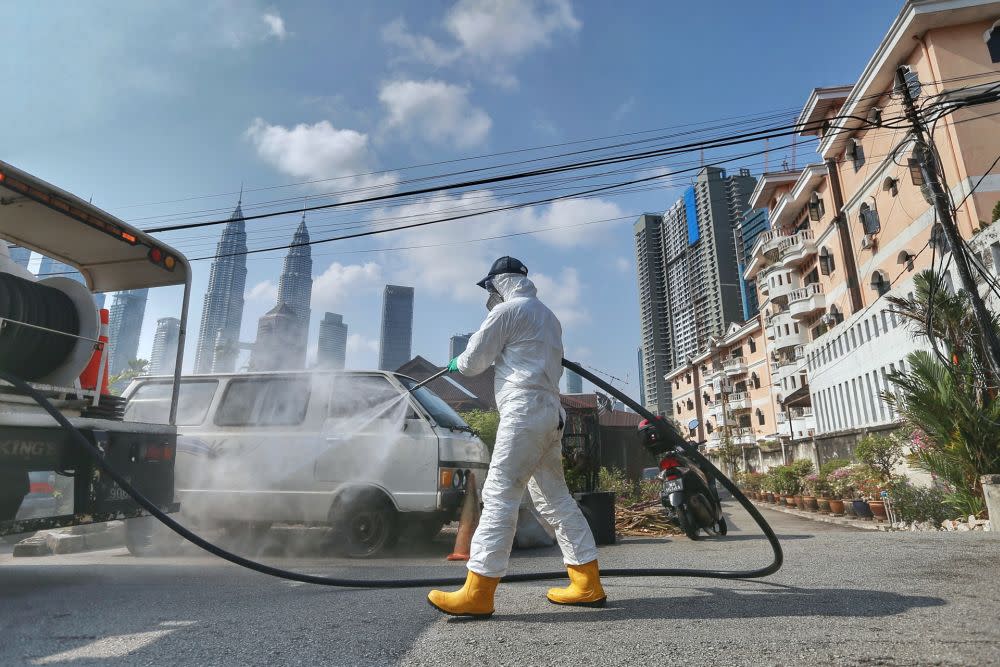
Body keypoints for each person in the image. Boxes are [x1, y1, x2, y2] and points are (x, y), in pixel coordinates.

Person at [427, 256, 605, 618]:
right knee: (555, 499)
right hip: (551, 413)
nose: (489, 296)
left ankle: (478, 592)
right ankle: (587, 582)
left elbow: (475, 362)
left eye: (490, 289)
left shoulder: (505, 313)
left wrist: (456, 363)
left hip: (523, 411)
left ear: (498, 284)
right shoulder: (549, 317)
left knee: (499, 495)